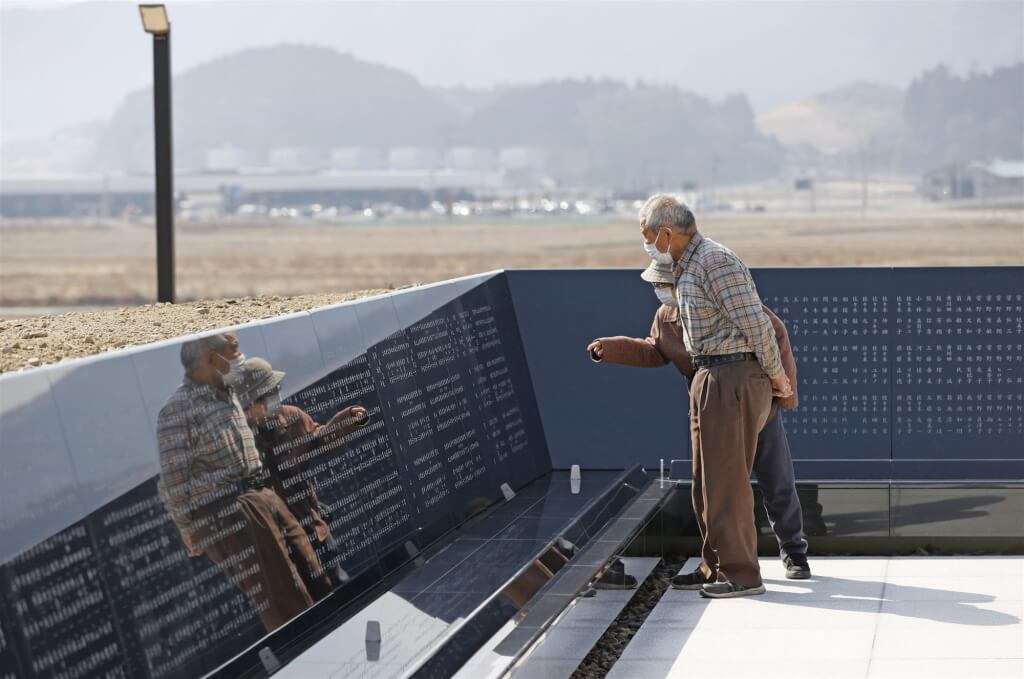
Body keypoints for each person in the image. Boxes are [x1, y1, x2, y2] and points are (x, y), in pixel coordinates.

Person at [587, 260, 811, 580]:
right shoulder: (666, 317)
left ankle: (794, 552)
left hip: (755, 404)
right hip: (715, 411)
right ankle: (717, 564)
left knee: (776, 478)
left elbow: (775, 333)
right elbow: (654, 350)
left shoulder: (722, 302)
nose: (660, 291)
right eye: (658, 286)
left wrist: (785, 394)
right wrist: (610, 349)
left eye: (664, 285)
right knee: (713, 487)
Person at [635, 194, 793, 599]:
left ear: (667, 233)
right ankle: (716, 566)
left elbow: (756, 324)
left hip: (732, 375)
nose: (647, 245)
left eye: (648, 236)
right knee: (705, 481)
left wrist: (777, 376)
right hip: (711, 375)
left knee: (727, 483)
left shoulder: (714, 262)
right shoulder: (687, 267)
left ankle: (742, 574)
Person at [156, 333, 331, 632]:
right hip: (229, 510)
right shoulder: (178, 410)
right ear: (211, 359)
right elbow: (174, 479)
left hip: (259, 492)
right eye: (231, 352)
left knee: (314, 571)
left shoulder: (229, 392)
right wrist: (188, 529)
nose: (238, 357)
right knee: (283, 595)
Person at [233, 357, 370, 592]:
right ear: (253, 403)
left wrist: (349, 419)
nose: (277, 395)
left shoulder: (291, 417)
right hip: (276, 543)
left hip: (311, 526)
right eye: (270, 391)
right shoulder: (235, 439)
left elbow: (320, 438)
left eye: (276, 389)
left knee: (338, 583)